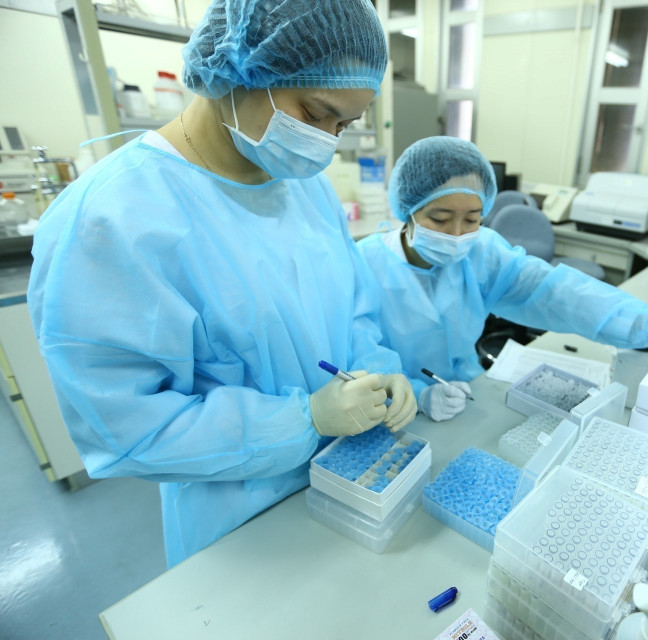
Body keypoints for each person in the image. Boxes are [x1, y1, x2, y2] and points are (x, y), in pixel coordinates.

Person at [27, 0, 417, 568]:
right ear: (238, 71)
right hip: (240, 522)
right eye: (314, 113)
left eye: (345, 125)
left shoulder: (305, 187)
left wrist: (379, 368)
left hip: (354, 482)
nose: (327, 143)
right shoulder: (111, 219)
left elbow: (352, 313)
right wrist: (304, 418)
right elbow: (127, 428)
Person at [356, 136, 648, 422]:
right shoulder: (364, 265)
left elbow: (559, 294)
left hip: (472, 392)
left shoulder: (483, 252)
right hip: (394, 414)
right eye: (440, 219)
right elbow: (356, 354)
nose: (457, 234)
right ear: (407, 209)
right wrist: (417, 396)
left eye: (472, 219)